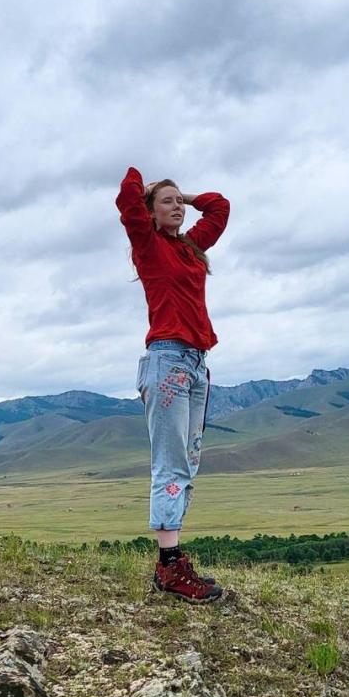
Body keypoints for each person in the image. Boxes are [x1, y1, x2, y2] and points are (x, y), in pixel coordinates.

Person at [115, 167, 230, 602]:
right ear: (151, 212)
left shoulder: (190, 248)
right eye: (168, 202)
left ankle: (173, 559)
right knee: (170, 464)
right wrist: (147, 192)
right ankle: (169, 568)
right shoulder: (148, 245)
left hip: (197, 364)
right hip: (167, 362)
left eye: (179, 201)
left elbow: (220, 207)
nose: (178, 206)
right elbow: (127, 196)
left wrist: (184, 194)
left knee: (189, 460)